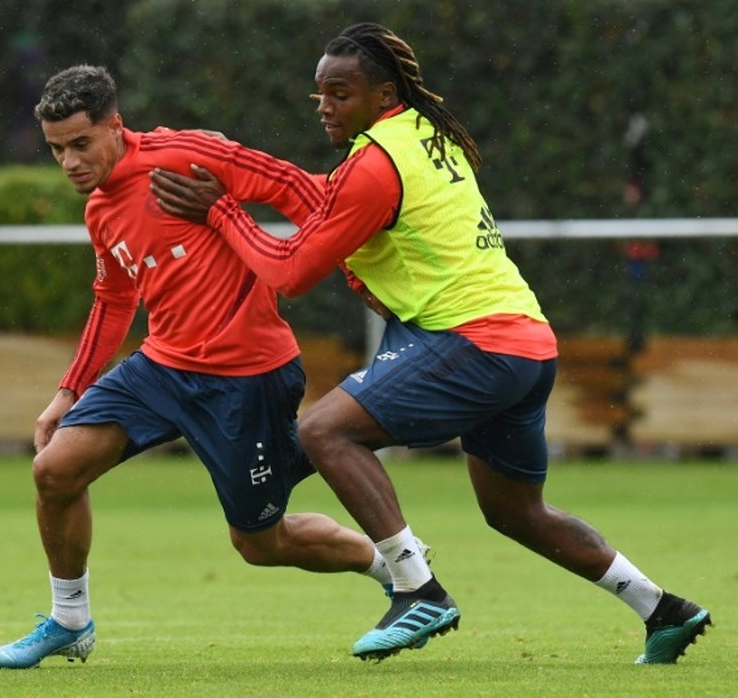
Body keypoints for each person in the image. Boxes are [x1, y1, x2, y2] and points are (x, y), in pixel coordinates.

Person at [149, 22, 711, 664]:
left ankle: (418, 589)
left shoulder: (374, 164)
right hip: (526, 344)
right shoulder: (424, 135)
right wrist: (239, 170)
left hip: (473, 342)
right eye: (319, 96)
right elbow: (320, 202)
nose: (326, 107)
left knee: (325, 432)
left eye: (341, 93)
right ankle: (664, 609)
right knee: (517, 512)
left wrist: (220, 212)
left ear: (384, 95)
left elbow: (291, 272)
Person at [0, 64, 427, 669]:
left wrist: (353, 267)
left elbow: (301, 191)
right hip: (162, 369)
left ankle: (388, 566)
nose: (68, 162)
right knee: (55, 471)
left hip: (248, 377)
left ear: (115, 126)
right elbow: (113, 300)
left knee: (260, 543)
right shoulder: (99, 210)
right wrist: (68, 392)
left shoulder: (188, 154)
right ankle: (70, 619)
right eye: (56, 150)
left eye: (80, 144)